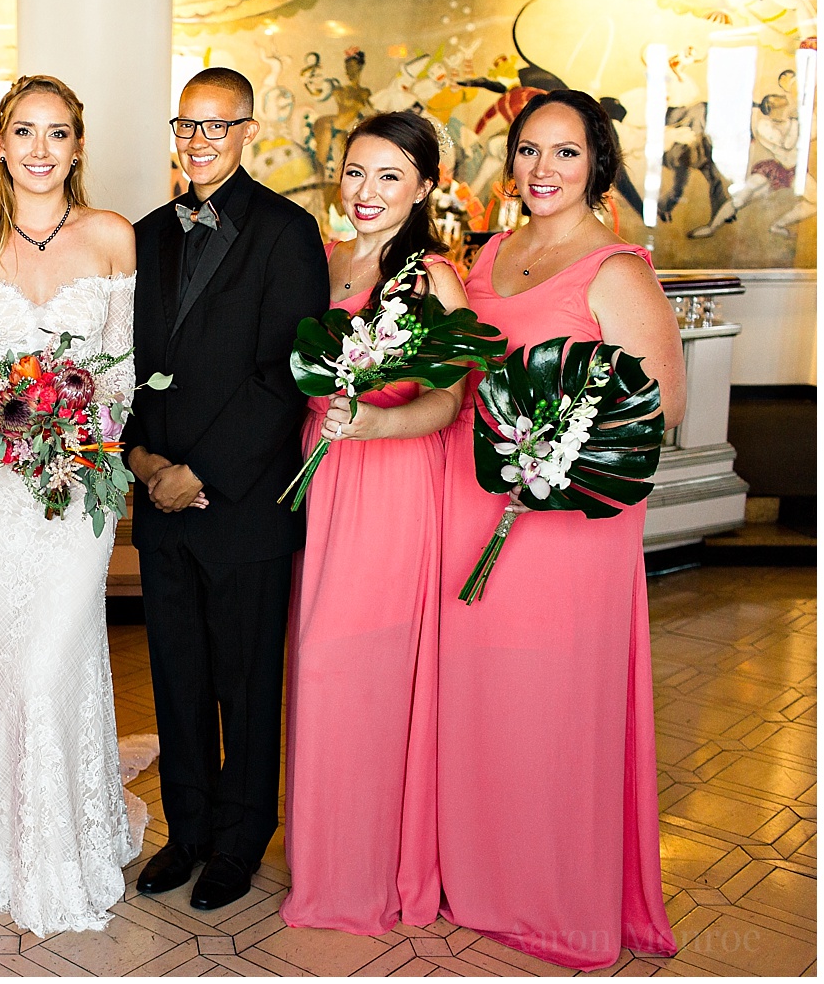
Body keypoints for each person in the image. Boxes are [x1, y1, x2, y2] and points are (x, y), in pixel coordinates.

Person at [437, 89, 686, 970]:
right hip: (471, 506)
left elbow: (658, 411)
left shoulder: (616, 269)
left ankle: (553, 895)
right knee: (480, 699)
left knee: (551, 705)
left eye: (565, 153)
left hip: (568, 523)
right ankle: (480, 874)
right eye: (529, 151)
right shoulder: (491, 251)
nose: (543, 170)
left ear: (597, 165)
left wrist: (553, 463)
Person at [0, 74, 141, 936]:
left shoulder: (111, 237)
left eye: (58, 133)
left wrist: (75, 437)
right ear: (2, 143)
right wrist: (3, 435)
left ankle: (64, 847)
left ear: (78, 146)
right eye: (25, 132)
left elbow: (120, 375)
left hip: (76, 486)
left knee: (52, 659)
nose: (41, 149)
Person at [124, 67, 327, 911]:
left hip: (242, 504)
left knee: (245, 684)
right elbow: (122, 365)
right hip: (159, 501)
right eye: (186, 126)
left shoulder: (286, 230)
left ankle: (242, 840)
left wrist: (198, 472)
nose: (198, 141)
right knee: (174, 678)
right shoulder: (143, 233)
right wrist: (144, 463)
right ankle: (189, 831)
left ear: (249, 131)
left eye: (217, 126)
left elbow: (285, 373)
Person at [281, 111, 467, 935]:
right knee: (316, 670)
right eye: (355, 172)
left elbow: (451, 396)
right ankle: (322, 861)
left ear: (424, 186)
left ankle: (361, 875)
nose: (367, 192)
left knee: (352, 671)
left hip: (388, 482)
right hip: (321, 479)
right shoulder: (322, 260)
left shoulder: (428, 274)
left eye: (390, 176)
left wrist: (372, 427)